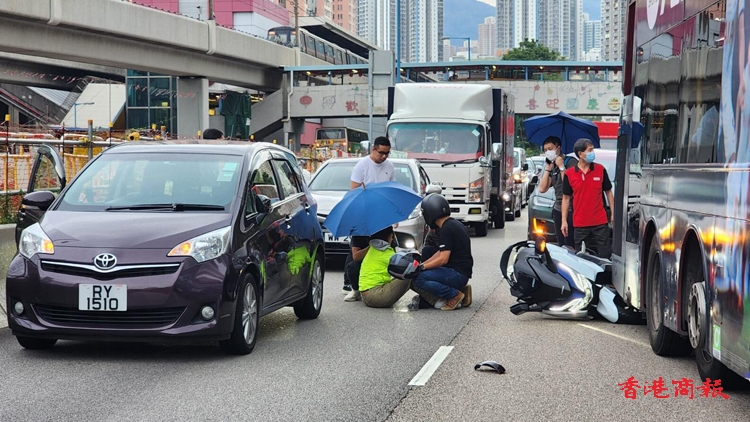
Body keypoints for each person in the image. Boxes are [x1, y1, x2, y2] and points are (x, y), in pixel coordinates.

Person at [343, 136, 397, 301]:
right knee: (356, 255)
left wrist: (392, 214)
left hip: (382, 214)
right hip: (364, 211)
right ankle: (353, 286)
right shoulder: (362, 165)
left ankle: (387, 281)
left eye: (387, 153)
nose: (384, 157)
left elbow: (391, 189)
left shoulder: (389, 166)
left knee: (389, 249)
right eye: (381, 153)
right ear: (373, 149)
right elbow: (353, 189)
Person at [411, 194, 473, 311]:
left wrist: (422, 268)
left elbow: (443, 259)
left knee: (419, 279)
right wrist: (421, 265)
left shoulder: (446, 229)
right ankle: (462, 290)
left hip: (457, 274)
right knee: (427, 251)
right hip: (461, 272)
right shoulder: (454, 224)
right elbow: (440, 252)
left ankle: (454, 295)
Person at [561, 139, 615, 258]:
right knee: (581, 257)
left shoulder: (600, 170)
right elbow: (566, 199)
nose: (593, 153)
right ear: (580, 154)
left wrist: (613, 213)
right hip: (580, 223)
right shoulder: (569, 174)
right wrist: (564, 221)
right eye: (590, 150)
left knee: (605, 255)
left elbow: (609, 192)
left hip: (600, 222)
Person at [537, 136, 578, 248]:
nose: (548, 152)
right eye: (545, 150)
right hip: (558, 208)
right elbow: (542, 188)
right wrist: (548, 168)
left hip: (572, 209)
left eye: (550, 149)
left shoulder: (571, 162)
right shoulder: (552, 166)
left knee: (571, 242)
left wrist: (561, 167)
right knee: (561, 243)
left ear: (558, 149)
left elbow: (570, 185)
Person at [358, 226, 413, 308]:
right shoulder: (385, 252)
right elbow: (405, 265)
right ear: (389, 236)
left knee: (404, 276)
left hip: (366, 295)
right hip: (375, 295)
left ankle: (430, 300)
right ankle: (433, 300)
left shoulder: (372, 248)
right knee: (410, 275)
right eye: (392, 236)